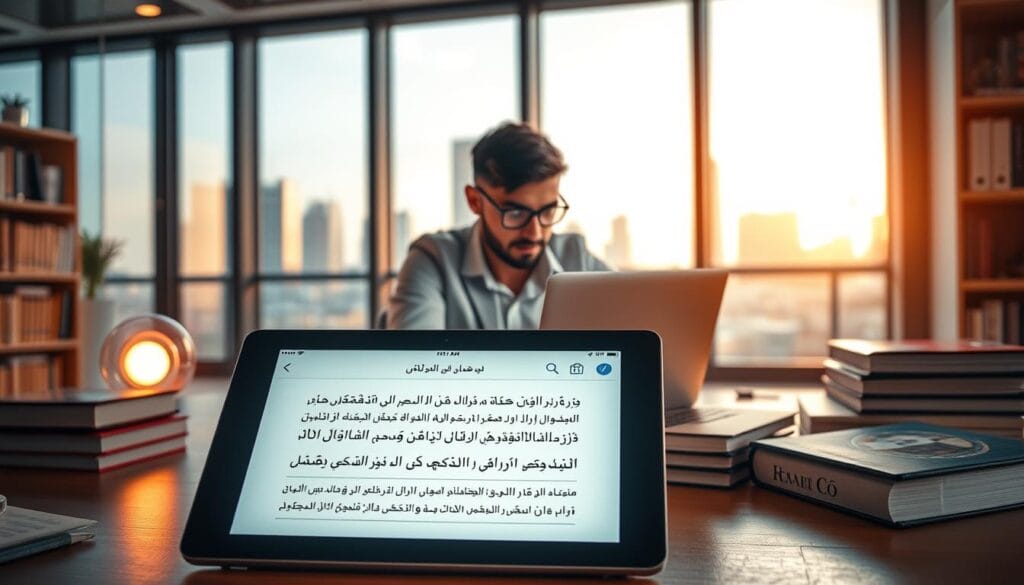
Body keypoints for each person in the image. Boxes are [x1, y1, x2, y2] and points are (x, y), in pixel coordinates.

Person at [386, 122, 609, 329]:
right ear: (475, 201)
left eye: (547, 211)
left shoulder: (578, 260)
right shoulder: (433, 260)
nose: (535, 232)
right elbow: (414, 364)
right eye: (515, 212)